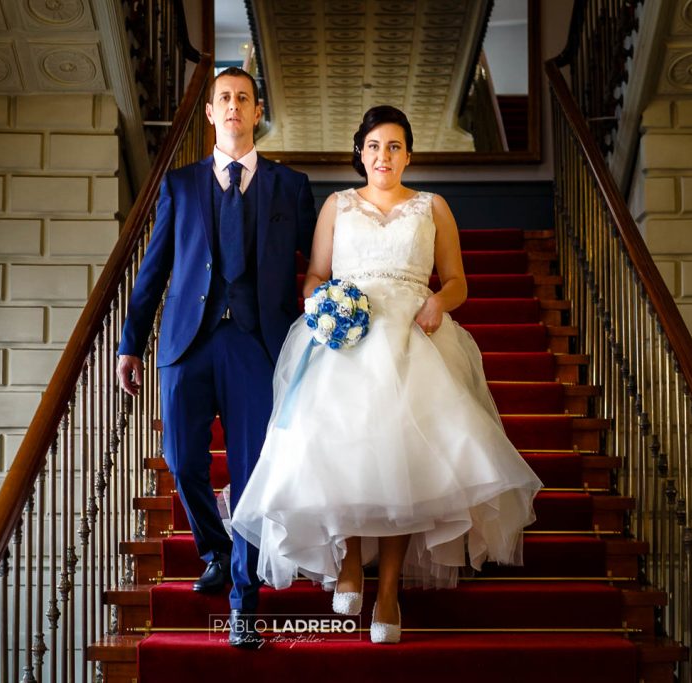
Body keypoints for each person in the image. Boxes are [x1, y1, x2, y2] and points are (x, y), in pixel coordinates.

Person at [230, 105, 543, 644]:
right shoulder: (337, 205)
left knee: (407, 466)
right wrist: (320, 305)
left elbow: (457, 282)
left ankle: (390, 590)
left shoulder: (432, 206)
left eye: (395, 147)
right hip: (345, 340)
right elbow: (315, 276)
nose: (384, 157)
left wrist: (438, 304)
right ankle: (350, 561)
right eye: (374, 146)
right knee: (343, 451)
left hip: (412, 336)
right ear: (360, 153)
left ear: (409, 155)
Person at [117, 66, 316, 648]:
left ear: (257, 113)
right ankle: (215, 547)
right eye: (223, 98)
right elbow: (153, 272)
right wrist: (131, 342)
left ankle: (243, 601)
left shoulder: (291, 186)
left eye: (243, 99)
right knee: (182, 462)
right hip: (188, 342)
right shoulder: (179, 186)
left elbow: (320, 261)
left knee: (252, 473)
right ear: (209, 113)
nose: (233, 106)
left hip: (258, 344)